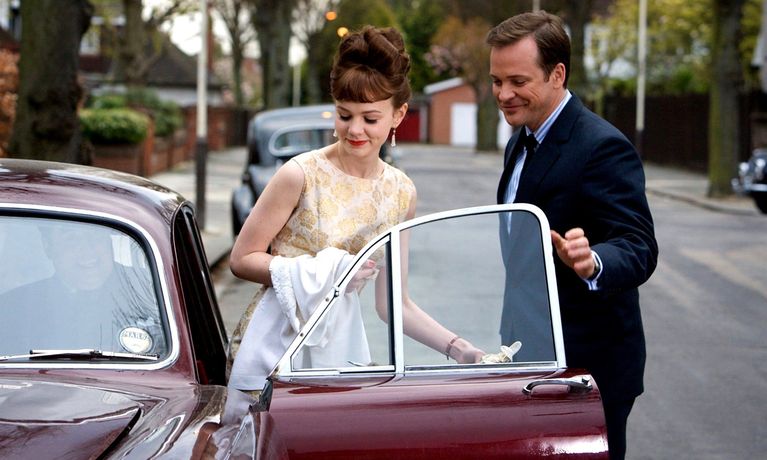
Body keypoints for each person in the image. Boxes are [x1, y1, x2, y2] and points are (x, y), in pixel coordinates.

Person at [227, 25, 485, 393]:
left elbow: (392, 303)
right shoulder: (300, 175)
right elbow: (242, 259)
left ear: (398, 115)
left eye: (370, 118)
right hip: (272, 345)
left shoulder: (401, 193)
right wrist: (331, 274)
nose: (355, 130)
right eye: (344, 115)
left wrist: (459, 349)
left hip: (337, 353)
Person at [487, 11, 658, 460]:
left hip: (588, 369)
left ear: (557, 74)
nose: (503, 94)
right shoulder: (520, 139)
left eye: (518, 81)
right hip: (528, 358)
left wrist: (593, 261)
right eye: (496, 81)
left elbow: (638, 245)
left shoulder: (602, 146)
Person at [0, 221, 166, 356]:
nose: (88, 249)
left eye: (96, 235)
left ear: (109, 241)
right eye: (71, 238)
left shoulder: (151, 289)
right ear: (48, 247)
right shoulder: (15, 308)